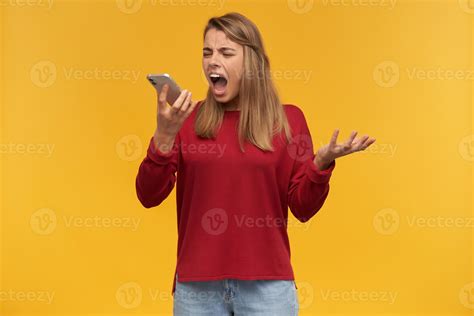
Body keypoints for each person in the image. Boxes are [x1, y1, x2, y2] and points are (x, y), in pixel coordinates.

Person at [135, 12, 376, 316]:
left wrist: (321, 164)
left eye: (226, 52)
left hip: (268, 289)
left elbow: (302, 208)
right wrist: (164, 136)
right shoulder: (187, 121)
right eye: (207, 52)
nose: (212, 61)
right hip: (197, 289)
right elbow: (148, 195)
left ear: (251, 61)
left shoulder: (288, 120)